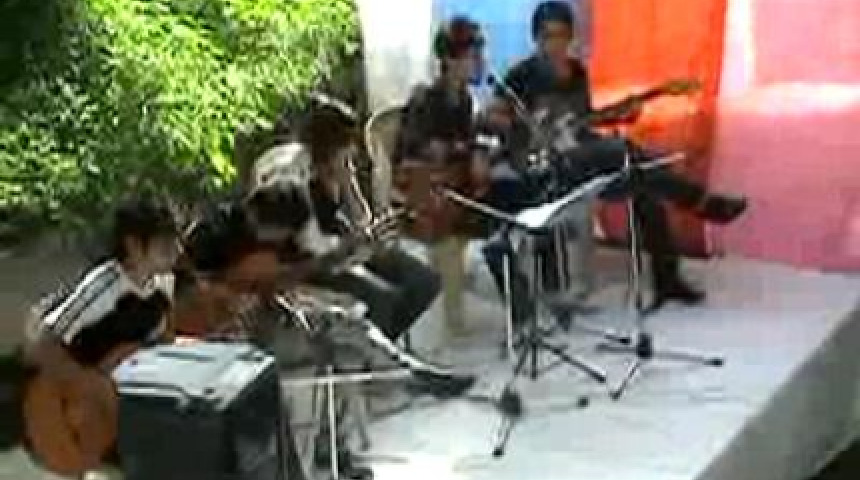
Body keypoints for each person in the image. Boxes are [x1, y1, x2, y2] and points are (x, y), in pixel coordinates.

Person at [482, 1, 748, 321]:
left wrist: (619, 115)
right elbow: (490, 117)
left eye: (562, 36)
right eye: (548, 36)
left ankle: (668, 280)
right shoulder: (521, 75)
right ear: (536, 38)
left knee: (645, 184)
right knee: (624, 151)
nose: (556, 44)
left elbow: (581, 123)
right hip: (544, 170)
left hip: (580, 160)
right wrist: (524, 128)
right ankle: (700, 202)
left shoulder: (577, 73)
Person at [21, 196, 179, 476]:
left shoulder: (163, 286)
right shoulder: (104, 286)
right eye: (165, 244)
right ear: (133, 245)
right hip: (71, 408)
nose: (176, 251)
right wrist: (92, 385)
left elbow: (160, 343)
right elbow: (42, 346)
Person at [394, 17, 493, 335]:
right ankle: (452, 315)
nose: (480, 61)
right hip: (421, 188)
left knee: (501, 192)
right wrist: (468, 150)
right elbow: (424, 153)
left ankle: (468, 283)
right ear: (450, 59)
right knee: (449, 214)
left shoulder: (465, 100)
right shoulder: (426, 99)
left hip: (452, 182)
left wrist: (479, 149)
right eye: (473, 54)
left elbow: (464, 146)